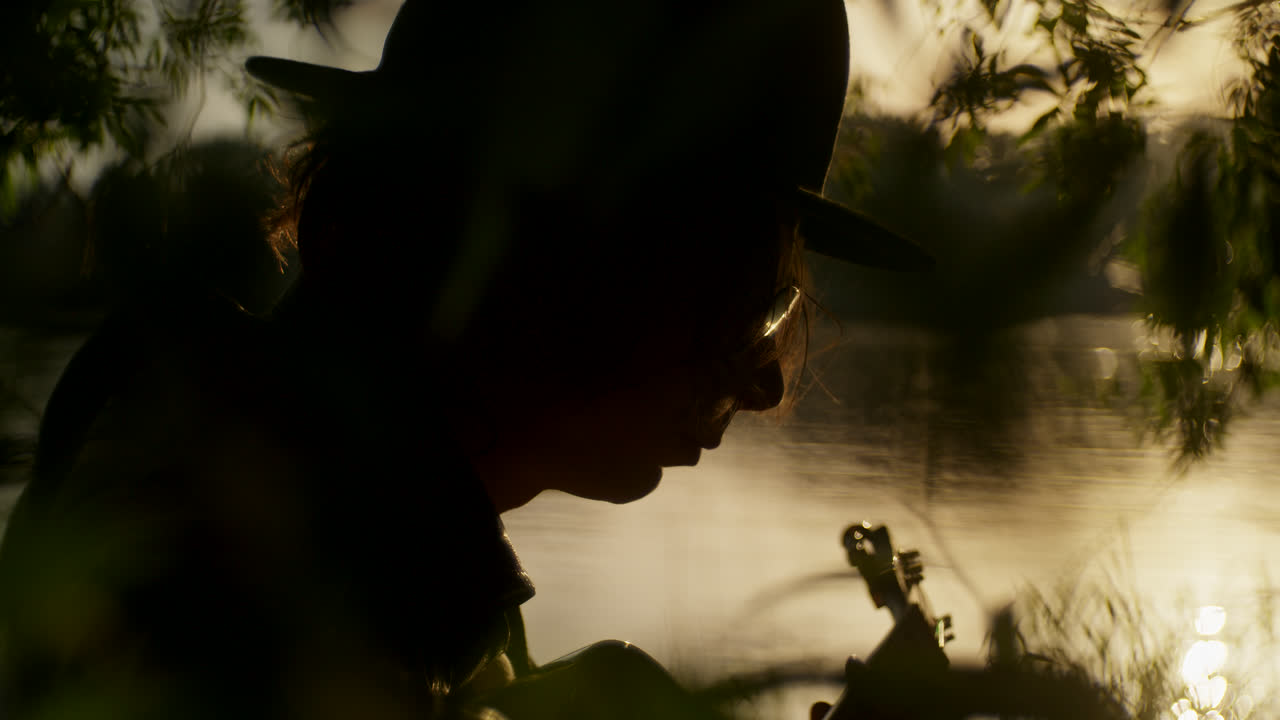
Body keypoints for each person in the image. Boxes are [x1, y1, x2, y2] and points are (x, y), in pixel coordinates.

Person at [0, 0, 931, 718]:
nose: (765, 379)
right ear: (568, 259)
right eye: (751, 308)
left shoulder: (322, 499)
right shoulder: (251, 559)